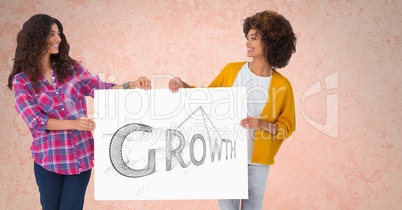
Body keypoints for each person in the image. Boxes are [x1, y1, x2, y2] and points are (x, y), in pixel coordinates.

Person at [7, 14, 151, 210]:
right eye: (51, 34)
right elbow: (36, 121)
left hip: (80, 156)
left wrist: (131, 85)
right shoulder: (22, 81)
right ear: (36, 38)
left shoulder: (72, 69)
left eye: (58, 33)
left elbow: (100, 88)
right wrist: (74, 124)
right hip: (48, 160)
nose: (58, 38)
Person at [168, 10, 296, 210]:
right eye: (248, 37)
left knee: (253, 207)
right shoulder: (231, 71)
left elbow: (287, 127)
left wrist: (261, 124)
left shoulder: (282, 85)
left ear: (271, 42)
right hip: (225, 154)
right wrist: (183, 85)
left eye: (254, 38)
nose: (247, 42)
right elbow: (207, 99)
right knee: (227, 208)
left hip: (258, 160)